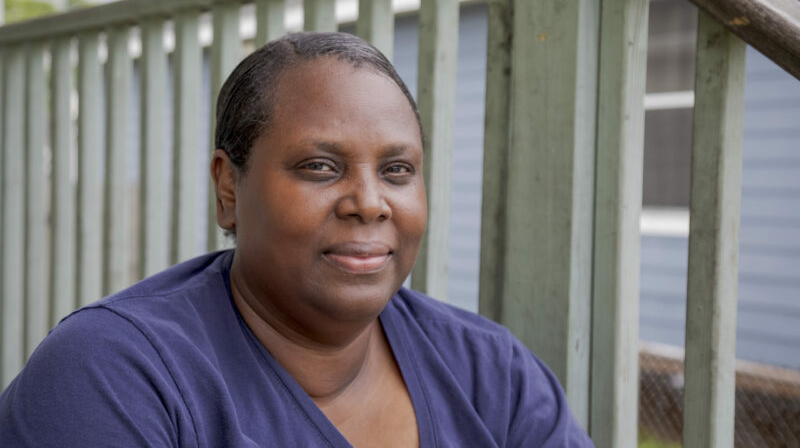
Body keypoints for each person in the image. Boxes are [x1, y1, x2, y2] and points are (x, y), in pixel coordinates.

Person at [0, 32, 593, 447]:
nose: (369, 201)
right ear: (229, 188)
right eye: (319, 166)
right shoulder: (115, 374)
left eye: (397, 171)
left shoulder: (494, 376)